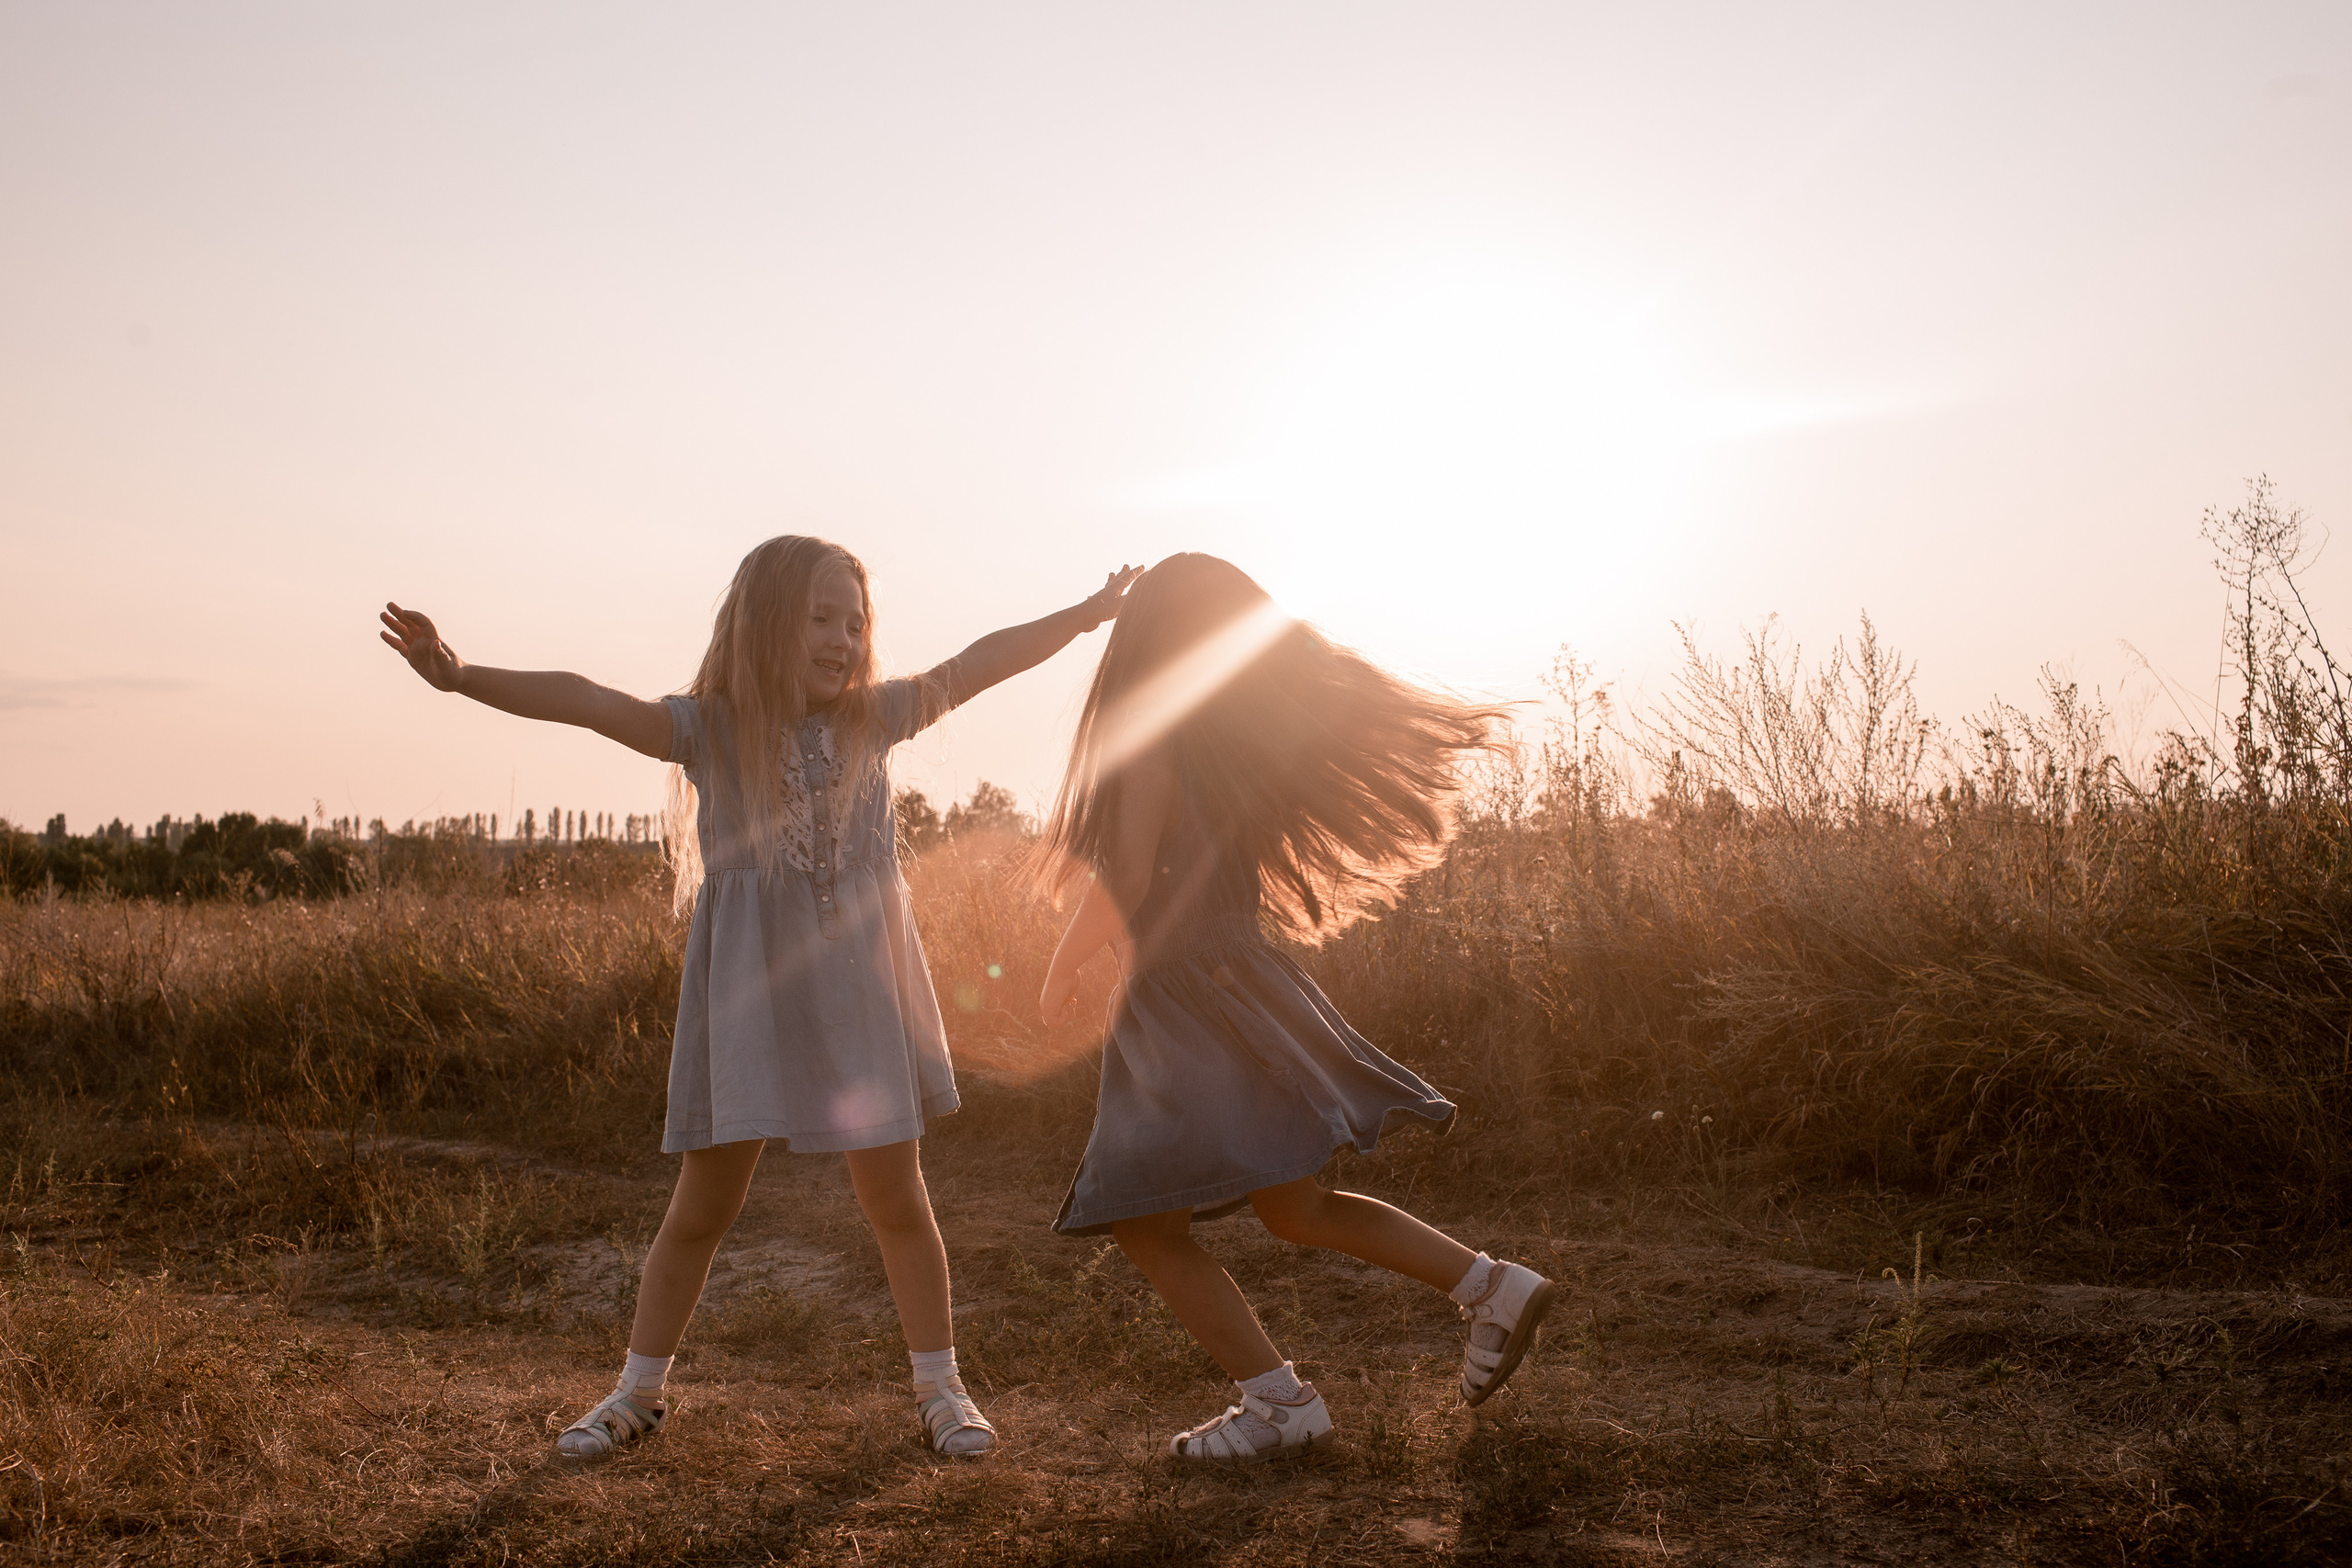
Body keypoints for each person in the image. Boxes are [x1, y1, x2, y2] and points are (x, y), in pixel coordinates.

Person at [380, 536, 1137, 1459]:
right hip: (749, 1000)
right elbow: (586, 698)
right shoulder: (709, 728)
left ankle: (942, 1389)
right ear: (765, 624)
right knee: (704, 1203)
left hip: (862, 994)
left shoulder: (877, 717)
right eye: (819, 618)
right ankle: (637, 1392)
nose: (841, 639)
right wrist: (460, 676)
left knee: (897, 1197)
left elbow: (979, 662)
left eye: (854, 622)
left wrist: (1085, 615)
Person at [1035, 553, 1555, 1462]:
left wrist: (1060, 967)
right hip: (1247, 992)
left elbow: (1125, 882)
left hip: (1186, 1008)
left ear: (1140, 648)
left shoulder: (1148, 753)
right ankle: (1491, 1286)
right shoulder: (1223, 759)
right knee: (1295, 1207)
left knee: (1146, 1225)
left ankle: (1278, 1404)